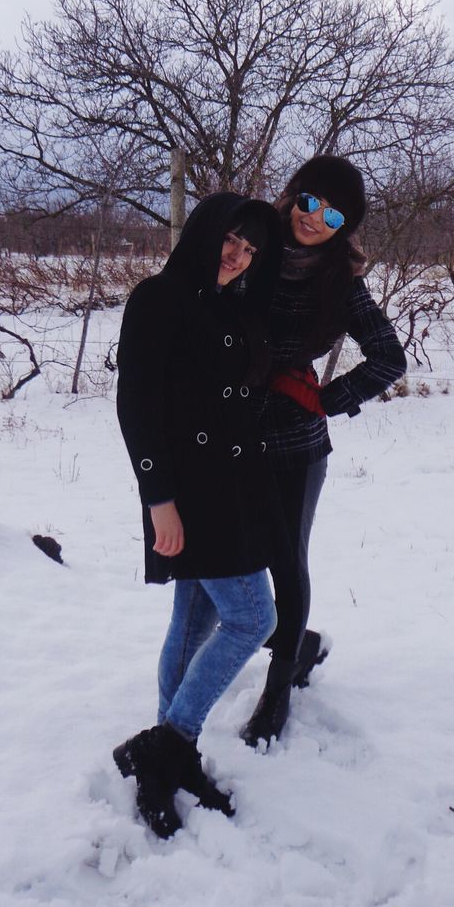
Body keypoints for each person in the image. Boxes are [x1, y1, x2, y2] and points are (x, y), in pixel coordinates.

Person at [113, 191, 284, 838]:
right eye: (230, 242)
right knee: (252, 616)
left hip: (232, 489)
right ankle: (170, 746)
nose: (238, 258)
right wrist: (159, 501)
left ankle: (165, 757)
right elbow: (137, 406)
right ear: (205, 234)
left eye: (250, 251)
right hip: (188, 495)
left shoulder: (229, 307)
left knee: (194, 621)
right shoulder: (157, 299)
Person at [240, 156, 407, 747]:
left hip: (294, 444)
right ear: (294, 194)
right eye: (310, 201)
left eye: (333, 214)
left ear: (345, 226)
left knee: (287, 565)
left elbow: (389, 357)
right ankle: (298, 639)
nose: (315, 218)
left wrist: (325, 401)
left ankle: (278, 688)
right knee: (227, 563)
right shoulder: (248, 242)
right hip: (229, 432)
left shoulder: (340, 281)